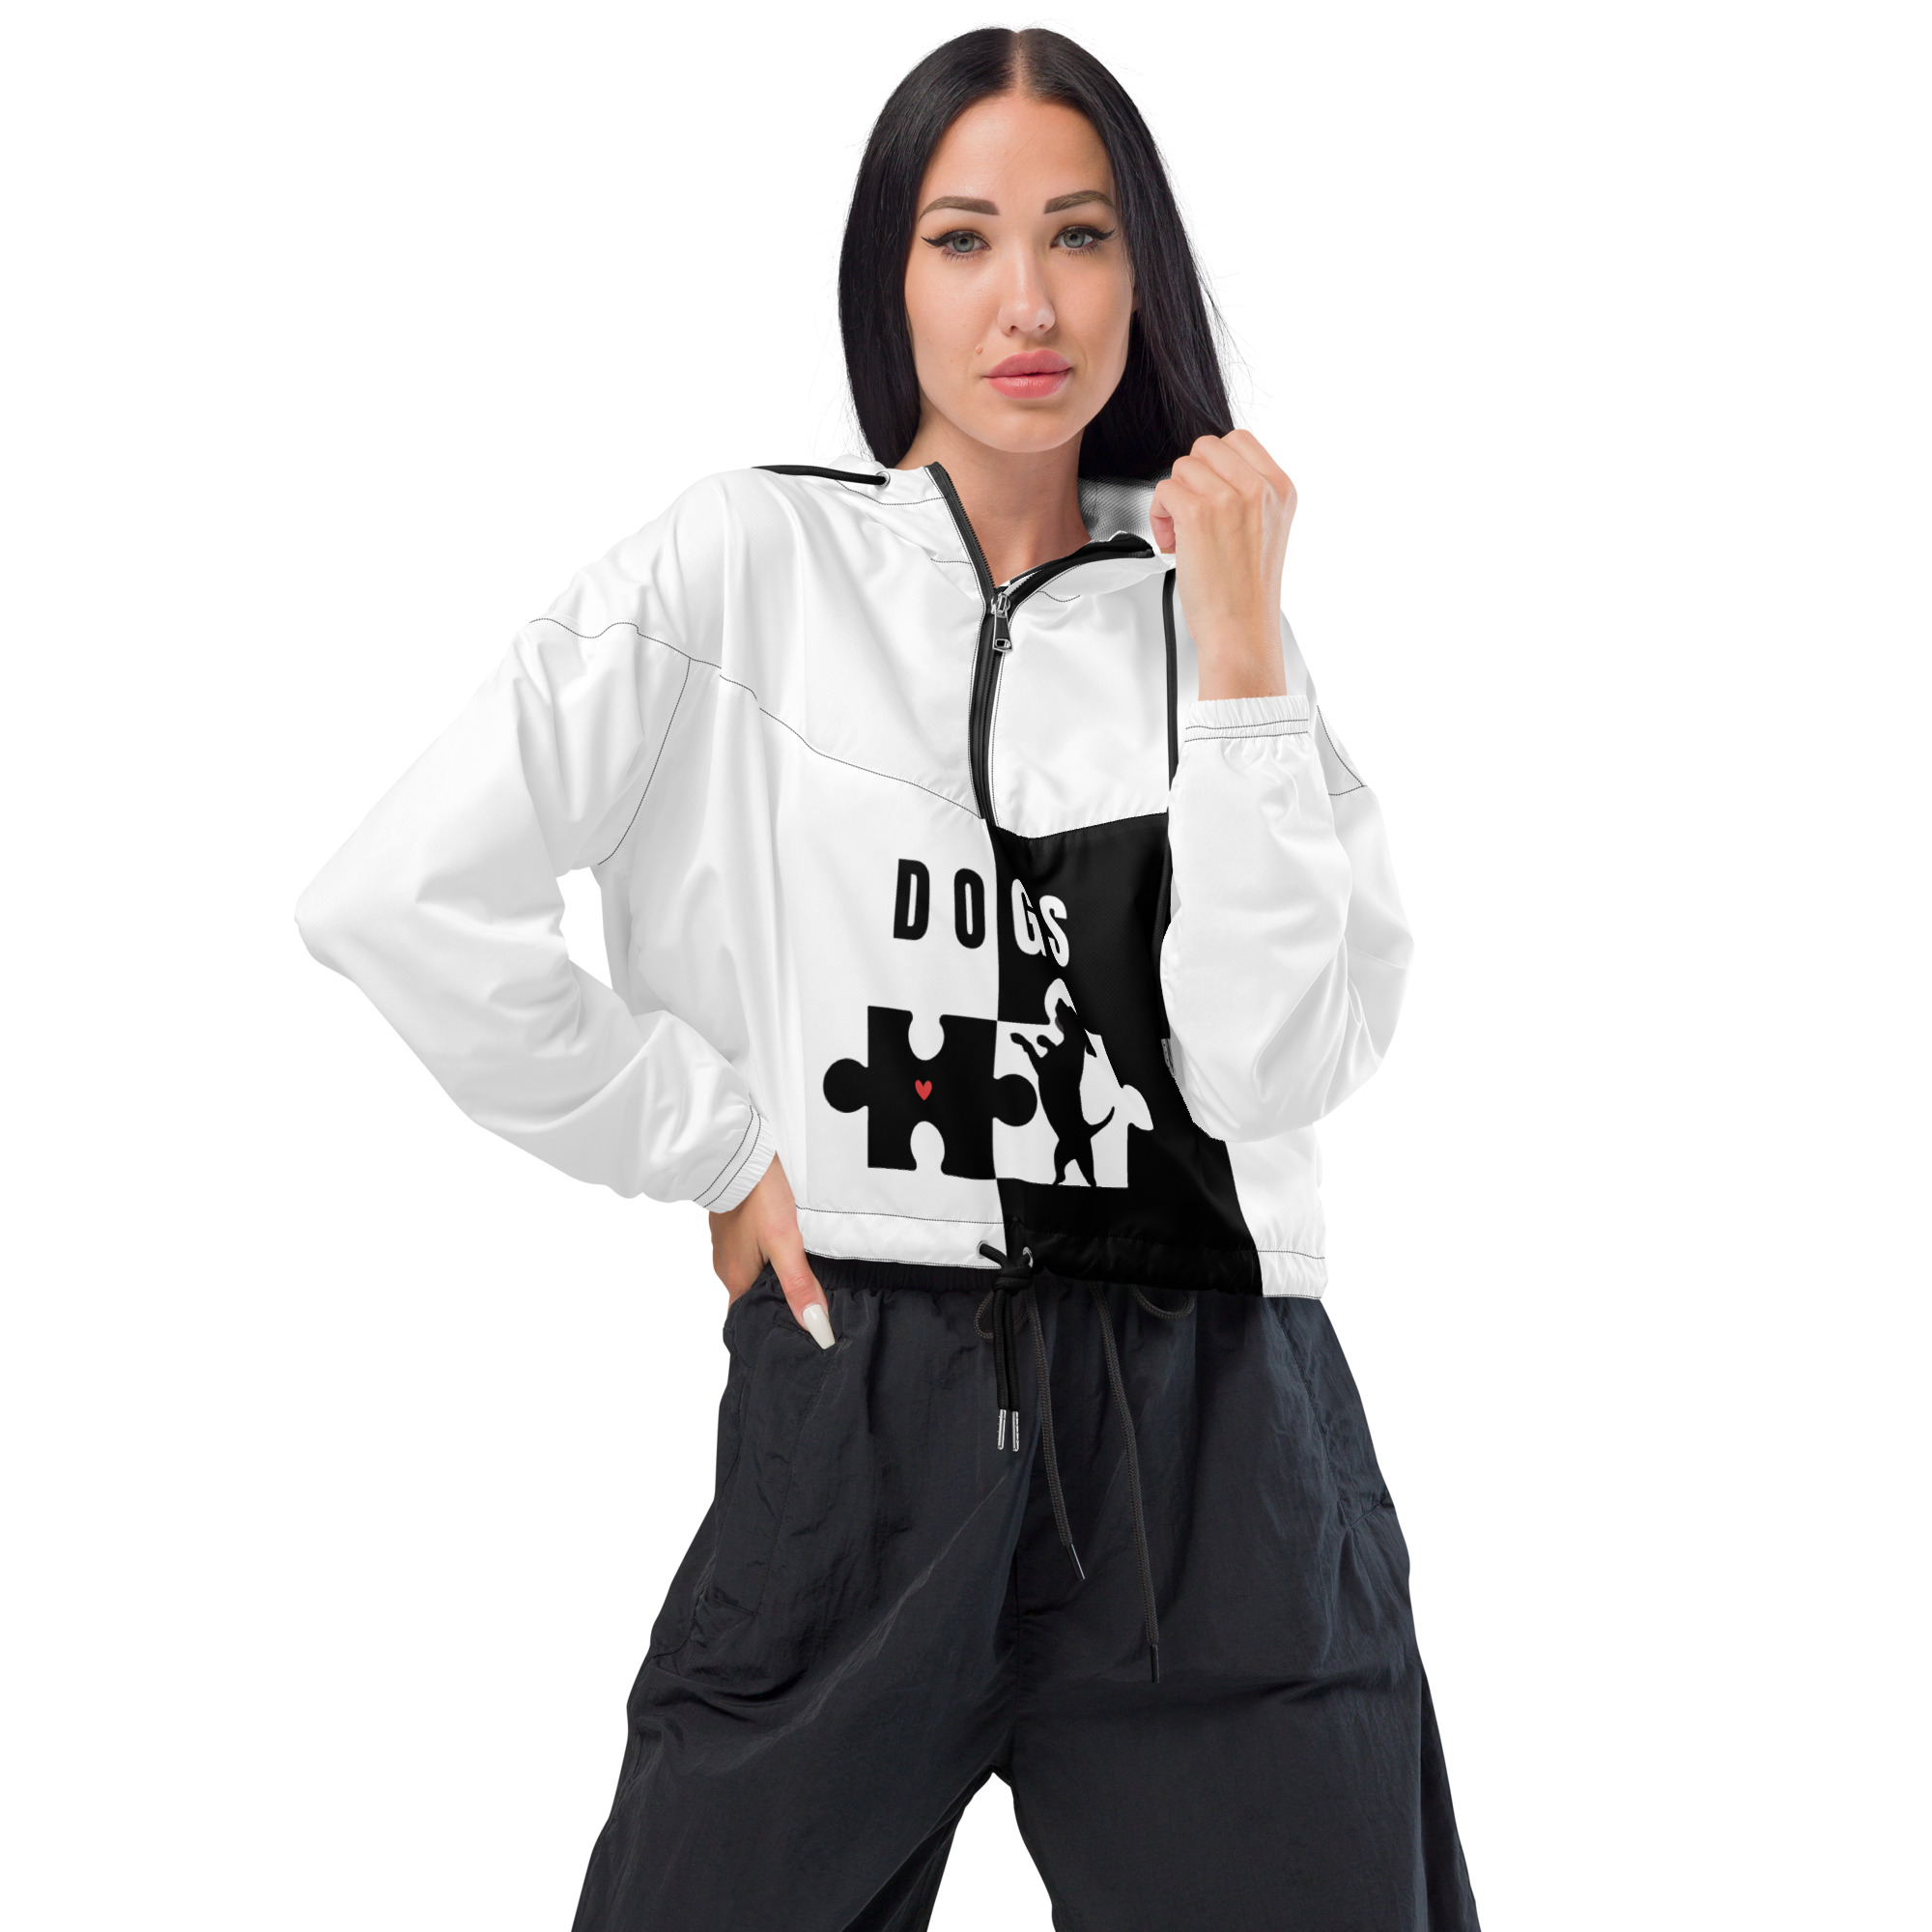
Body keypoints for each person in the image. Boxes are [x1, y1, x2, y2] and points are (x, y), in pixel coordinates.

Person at [295, 25, 1481, 1931]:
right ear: (888, 276)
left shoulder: (1219, 625)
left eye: (1080, 236)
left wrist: (1244, 648)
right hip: (867, 1399)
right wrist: (701, 1140)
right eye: (963, 238)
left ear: (1141, 275)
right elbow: (398, 896)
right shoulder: (746, 566)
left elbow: (1269, 1069)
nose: (1029, 301)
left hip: (1220, 1424)